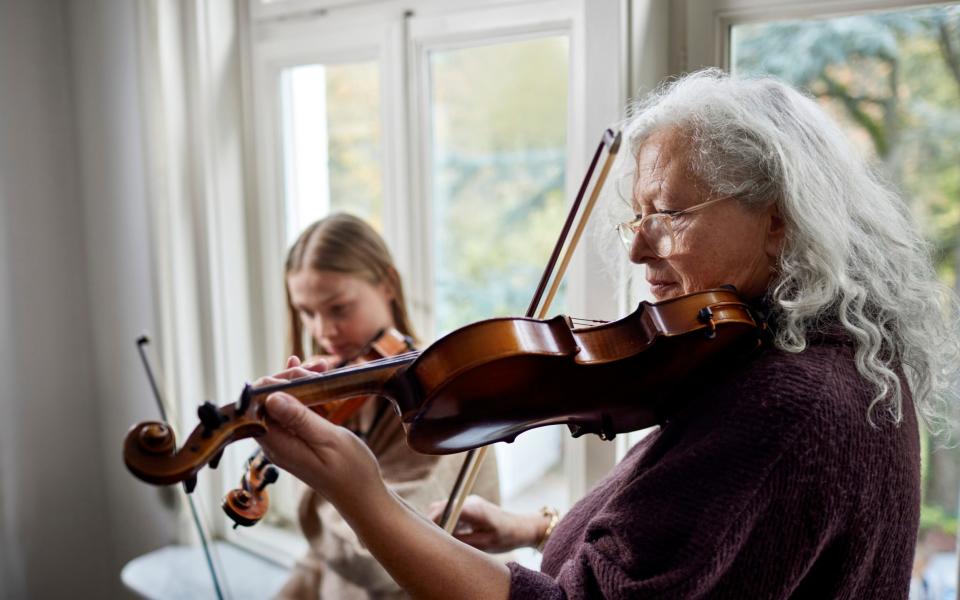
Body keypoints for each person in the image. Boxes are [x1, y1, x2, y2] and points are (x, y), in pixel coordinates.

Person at [254, 70, 960, 599]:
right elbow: (723, 542)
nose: (638, 250)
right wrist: (537, 528)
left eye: (671, 214)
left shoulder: (788, 404)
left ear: (779, 217)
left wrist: (361, 493)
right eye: (637, 216)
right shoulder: (828, 354)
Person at [264, 213, 501, 600]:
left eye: (338, 308)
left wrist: (314, 477)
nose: (323, 331)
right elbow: (320, 562)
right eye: (307, 312)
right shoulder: (348, 393)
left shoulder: (439, 405)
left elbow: (374, 563)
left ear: (388, 284)